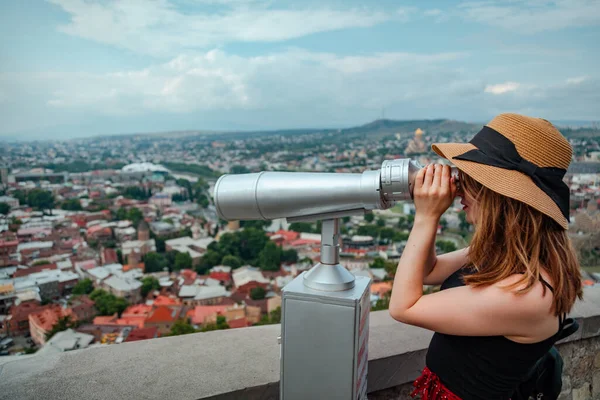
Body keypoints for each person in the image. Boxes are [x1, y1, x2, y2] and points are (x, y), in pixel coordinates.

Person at [388, 113, 583, 400]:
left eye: (472, 179)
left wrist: (426, 216)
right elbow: (428, 271)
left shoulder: (530, 294)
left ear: (498, 195)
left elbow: (403, 307)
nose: (460, 189)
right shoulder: (510, 252)